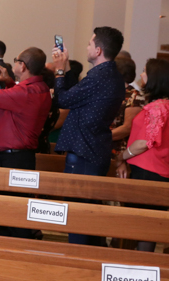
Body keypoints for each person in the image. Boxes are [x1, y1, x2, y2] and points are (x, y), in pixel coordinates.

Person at [51, 26, 125, 246]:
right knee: (89, 216)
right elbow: (77, 97)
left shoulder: (99, 77)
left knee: (77, 216)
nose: (86, 47)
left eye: (89, 44)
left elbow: (63, 100)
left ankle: (78, 261)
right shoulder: (112, 75)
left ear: (99, 50)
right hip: (94, 149)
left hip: (84, 151)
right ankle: (91, 258)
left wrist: (59, 70)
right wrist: (66, 68)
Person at [0, 47, 52, 238]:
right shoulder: (39, 88)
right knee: (11, 208)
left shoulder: (25, 92)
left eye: (16, 60)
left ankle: (13, 247)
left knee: (10, 212)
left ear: (22, 66)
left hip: (12, 158)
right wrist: (8, 81)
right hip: (20, 156)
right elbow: (19, 101)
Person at [115, 59, 169, 252]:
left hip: (149, 170)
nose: (142, 75)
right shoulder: (165, 104)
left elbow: (145, 142)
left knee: (144, 226)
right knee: (144, 224)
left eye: (145, 71)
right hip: (150, 168)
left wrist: (122, 157)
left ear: (155, 77)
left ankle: (142, 263)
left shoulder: (158, 107)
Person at [110, 56, 144, 155]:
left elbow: (127, 128)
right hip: (100, 145)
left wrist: (100, 137)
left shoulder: (134, 95)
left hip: (119, 149)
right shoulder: (108, 92)